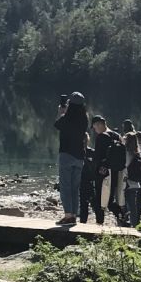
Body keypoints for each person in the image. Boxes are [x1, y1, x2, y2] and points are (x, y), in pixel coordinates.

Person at [54, 92, 89, 228]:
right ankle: (73, 215)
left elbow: (57, 125)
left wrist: (61, 112)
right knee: (75, 188)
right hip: (79, 156)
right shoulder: (84, 118)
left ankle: (68, 215)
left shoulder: (66, 117)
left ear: (71, 104)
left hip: (66, 155)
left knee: (65, 186)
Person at [122, 132, 141, 225]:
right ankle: (135, 223)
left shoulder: (125, 152)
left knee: (124, 204)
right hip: (135, 183)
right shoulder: (137, 154)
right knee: (133, 205)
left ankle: (125, 222)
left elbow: (124, 167)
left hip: (126, 181)